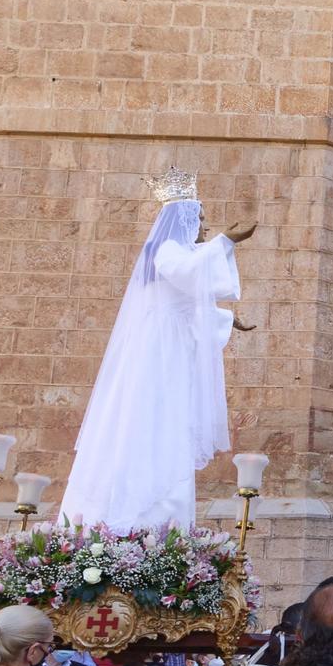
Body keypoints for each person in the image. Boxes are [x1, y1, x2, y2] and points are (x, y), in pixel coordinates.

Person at [58, 174, 249, 531]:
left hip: (172, 350)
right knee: (151, 419)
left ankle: (163, 515)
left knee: (169, 421)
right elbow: (186, 272)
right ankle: (137, 514)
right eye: (200, 219)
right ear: (184, 220)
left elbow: (186, 303)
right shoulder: (166, 251)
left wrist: (226, 318)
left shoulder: (177, 254)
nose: (205, 226)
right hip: (157, 356)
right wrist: (225, 241)